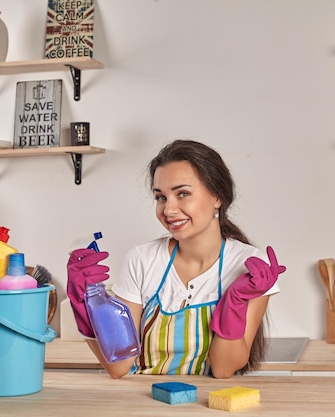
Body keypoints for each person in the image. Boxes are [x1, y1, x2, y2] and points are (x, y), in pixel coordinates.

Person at [67, 139, 286, 379]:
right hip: (143, 401)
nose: (169, 210)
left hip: (207, 405)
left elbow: (223, 369)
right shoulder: (142, 260)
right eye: (161, 197)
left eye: (183, 194)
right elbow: (119, 367)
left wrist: (235, 301)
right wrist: (85, 306)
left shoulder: (249, 265)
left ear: (217, 197)